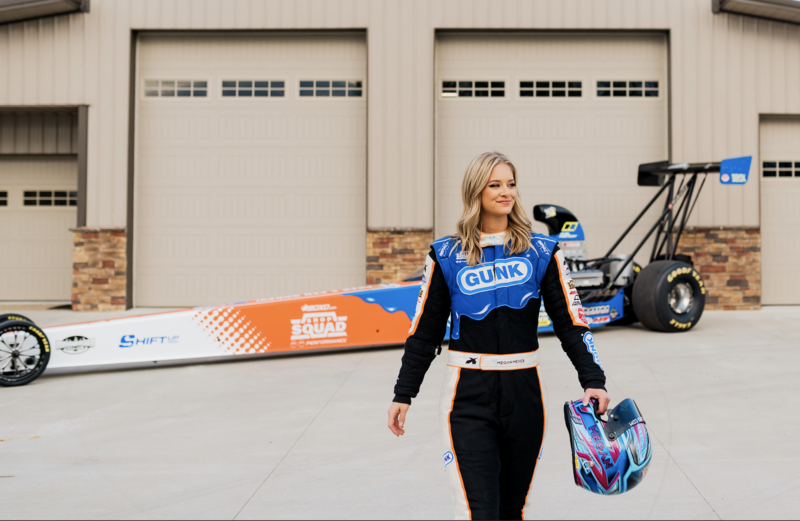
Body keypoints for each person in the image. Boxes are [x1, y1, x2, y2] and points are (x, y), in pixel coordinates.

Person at [387, 151, 610, 520]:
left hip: (525, 391)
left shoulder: (542, 251)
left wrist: (594, 380)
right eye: (495, 185)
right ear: (476, 190)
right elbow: (425, 333)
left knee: (512, 510)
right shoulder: (446, 255)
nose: (506, 192)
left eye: (510, 184)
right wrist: (403, 392)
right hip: (467, 394)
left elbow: (571, 322)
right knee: (478, 511)